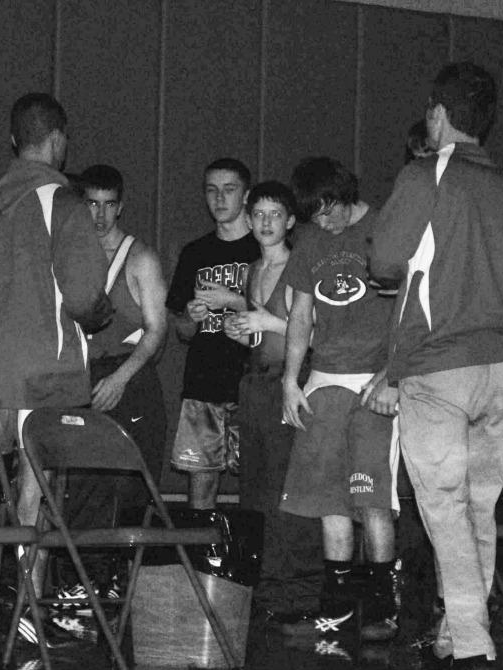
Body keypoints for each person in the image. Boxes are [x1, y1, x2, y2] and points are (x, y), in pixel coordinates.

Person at [369, 62, 503, 669]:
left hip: (442, 367)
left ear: (438, 114)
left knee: (443, 507)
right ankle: (456, 627)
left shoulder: (426, 173)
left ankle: (469, 639)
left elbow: (386, 264)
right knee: (477, 507)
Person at [0, 93, 111, 635]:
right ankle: (28, 609)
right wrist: (101, 315)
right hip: (44, 371)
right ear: (58, 139)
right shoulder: (62, 203)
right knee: (37, 490)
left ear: (13, 140)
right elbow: (86, 295)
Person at [278, 156, 399, 642]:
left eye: (329, 212)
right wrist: (291, 379)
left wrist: (395, 374)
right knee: (330, 499)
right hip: (324, 380)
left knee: (372, 498)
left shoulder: (384, 227)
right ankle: (337, 605)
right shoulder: (309, 240)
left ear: (347, 195)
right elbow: (301, 314)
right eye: (316, 217)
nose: (324, 224)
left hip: (375, 382)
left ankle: (382, 608)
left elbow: (414, 307)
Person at [58, 164, 168, 596]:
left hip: (130, 377)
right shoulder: (67, 255)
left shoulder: (140, 257)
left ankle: (122, 582)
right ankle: (81, 583)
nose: (100, 216)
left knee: (130, 487)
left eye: (108, 206)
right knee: (83, 486)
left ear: (120, 207)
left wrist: (121, 379)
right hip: (81, 378)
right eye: (91, 205)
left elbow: (157, 331)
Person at [223, 180, 322, 616]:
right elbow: (260, 331)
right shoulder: (250, 270)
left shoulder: (298, 266)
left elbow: (317, 332)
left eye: (275, 215)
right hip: (255, 385)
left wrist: (268, 320)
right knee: (255, 488)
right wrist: (241, 329)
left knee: (287, 487)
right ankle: (261, 584)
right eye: (258, 215)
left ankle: (297, 587)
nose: (265, 222)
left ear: (291, 221)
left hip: (290, 381)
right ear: (247, 220)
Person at [166, 158, 259, 509]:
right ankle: (200, 560)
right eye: (211, 190)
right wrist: (191, 316)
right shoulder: (195, 252)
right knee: (201, 483)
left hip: (252, 380)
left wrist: (233, 300)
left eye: (229, 190)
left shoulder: (263, 248)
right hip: (204, 381)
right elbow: (183, 331)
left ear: (246, 196)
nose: (219, 199)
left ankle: (250, 558)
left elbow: (284, 318)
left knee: (257, 482)